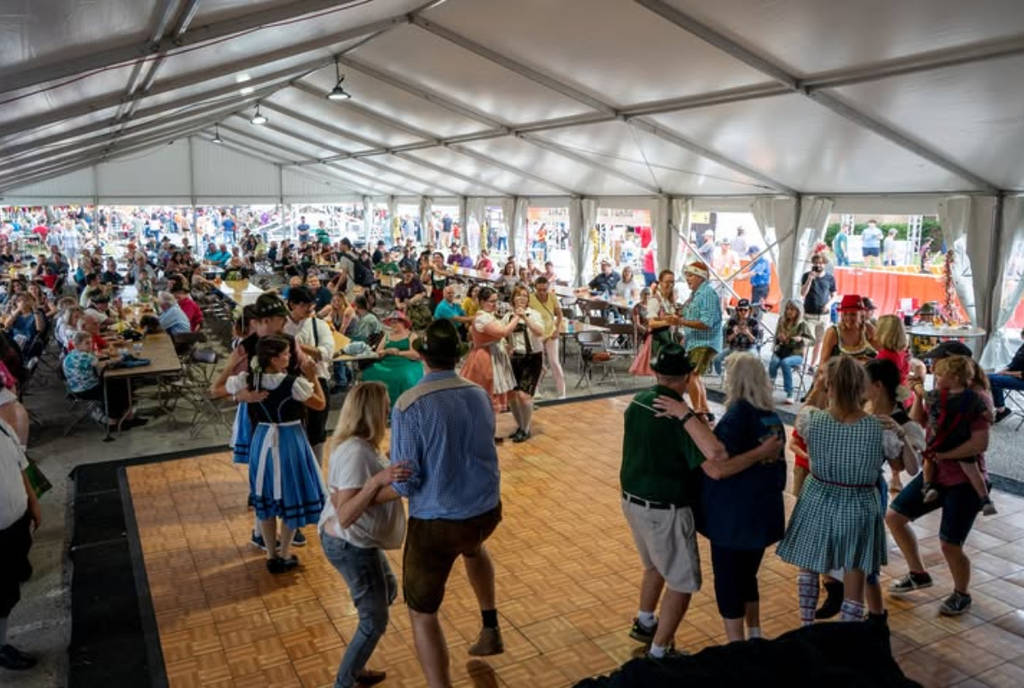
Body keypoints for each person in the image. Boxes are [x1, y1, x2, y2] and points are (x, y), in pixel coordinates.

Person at [620, 345, 779, 655]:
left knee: (654, 566)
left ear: (657, 373)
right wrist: (759, 453)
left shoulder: (638, 402)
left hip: (632, 501)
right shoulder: (679, 416)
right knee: (682, 583)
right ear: (688, 378)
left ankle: (645, 621)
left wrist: (696, 420)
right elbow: (717, 464)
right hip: (665, 509)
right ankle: (659, 652)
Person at [388, 319, 504, 687]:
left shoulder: (409, 404)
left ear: (421, 355)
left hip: (438, 520)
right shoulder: (477, 394)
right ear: (458, 354)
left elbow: (406, 483)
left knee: (422, 611)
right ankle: (490, 626)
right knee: (474, 548)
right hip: (485, 510)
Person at [776, 356, 905, 626]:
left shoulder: (812, 419)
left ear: (829, 386)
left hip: (817, 495)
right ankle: (848, 637)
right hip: (858, 501)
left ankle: (806, 626)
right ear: (862, 387)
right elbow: (898, 464)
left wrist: (819, 387)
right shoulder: (880, 429)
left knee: (808, 565)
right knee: (854, 570)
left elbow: (806, 416)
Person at [319, 383, 410, 688]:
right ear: (371, 410)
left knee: (388, 590)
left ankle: (354, 669)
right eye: (385, 404)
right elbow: (346, 514)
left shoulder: (363, 445)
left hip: (358, 542)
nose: (389, 409)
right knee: (374, 622)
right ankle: (345, 681)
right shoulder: (355, 451)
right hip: (348, 544)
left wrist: (390, 477)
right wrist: (378, 481)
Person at [887, 356, 993, 616]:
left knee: (950, 543)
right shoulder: (938, 397)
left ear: (955, 375)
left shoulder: (974, 401)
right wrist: (920, 394)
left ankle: (961, 593)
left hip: (963, 481)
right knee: (895, 516)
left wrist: (945, 455)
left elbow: (979, 444)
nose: (935, 373)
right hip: (935, 474)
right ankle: (918, 573)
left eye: (940, 370)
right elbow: (917, 421)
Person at [218, 335, 326, 573]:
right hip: (290, 439)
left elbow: (217, 390)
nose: (290, 357)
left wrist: (238, 396)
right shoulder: (292, 383)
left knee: (264, 494)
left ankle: (270, 553)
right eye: (286, 353)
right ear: (275, 359)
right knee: (291, 494)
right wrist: (313, 377)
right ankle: (285, 552)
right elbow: (320, 404)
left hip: (262, 439)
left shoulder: (248, 380)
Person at [917, 356, 996, 515]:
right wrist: (991, 417)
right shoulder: (974, 397)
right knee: (973, 471)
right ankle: (985, 500)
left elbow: (922, 395)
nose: (936, 378)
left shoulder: (936, 395)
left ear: (954, 378)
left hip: (938, 440)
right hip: (961, 440)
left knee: (929, 460)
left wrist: (917, 386)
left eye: (939, 376)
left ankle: (928, 487)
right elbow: (987, 414)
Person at [0, 405, 41, 671]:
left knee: (9, 592)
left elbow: (20, 467)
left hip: (16, 522)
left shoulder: (2, 427)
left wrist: (33, 504)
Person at [284, 287, 334, 460]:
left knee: (316, 431)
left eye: (311, 305)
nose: (309, 309)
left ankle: (317, 472)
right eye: (304, 305)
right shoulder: (282, 325)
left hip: (317, 381)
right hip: (289, 382)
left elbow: (327, 352)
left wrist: (296, 345)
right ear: (292, 304)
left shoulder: (318, 325)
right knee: (292, 428)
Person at [460, 287, 518, 416]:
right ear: (481, 302)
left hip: (493, 354)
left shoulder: (488, 316)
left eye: (496, 301)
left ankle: (488, 430)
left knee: (491, 394)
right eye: (491, 301)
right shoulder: (482, 318)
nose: (494, 305)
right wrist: (517, 317)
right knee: (487, 391)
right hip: (485, 357)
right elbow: (502, 332)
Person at [678, 262, 722, 420]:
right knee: (694, 376)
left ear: (701, 277)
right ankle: (705, 410)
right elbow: (689, 316)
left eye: (690, 275)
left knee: (691, 376)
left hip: (706, 342)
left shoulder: (707, 294)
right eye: (686, 275)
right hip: (696, 342)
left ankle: (699, 412)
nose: (687, 278)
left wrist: (681, 322)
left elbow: (706, 322)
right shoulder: (696, 295)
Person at [506, 285, 545, 442]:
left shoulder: (534, 314)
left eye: (524, 296)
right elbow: (503, 332)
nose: (521, 298)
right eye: (518, 295)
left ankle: (526, 428)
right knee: (513, 395)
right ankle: (520, 426)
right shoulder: (508, 315)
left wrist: (525, 318)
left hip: (532, 357)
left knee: (524, 395)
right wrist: (506, 345)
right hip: (515, 358)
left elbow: (539, 332)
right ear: (513, 299)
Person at [362, 312, 424, 410]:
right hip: (387, 362)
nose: (393, 325)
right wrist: (387, 351)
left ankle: (402, 407)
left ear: (403, 323)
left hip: (406, 362)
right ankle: (374, 407)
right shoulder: (387, 336)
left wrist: (398, 353)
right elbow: (378, 353)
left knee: (403, 377)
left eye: (395, 322)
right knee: (368, 373)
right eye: (391, 322)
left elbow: (416, 355)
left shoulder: (412, 336)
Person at [630, 269, 679, 377]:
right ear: (660, 282)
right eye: (667, 282)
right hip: (658, 340)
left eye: (672, 282)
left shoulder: (668, 300)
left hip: (668, 338)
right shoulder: (655, 300)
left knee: (668, 375)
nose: (670, 285)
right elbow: (651, 324)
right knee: (663, 374)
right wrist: (668, 321)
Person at [769, 299, 815, 404]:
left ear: (798, 311)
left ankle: (789, 393)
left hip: (796, 354)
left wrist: (802, 339)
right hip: (782, 350)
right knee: (774, 361)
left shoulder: (802, 324)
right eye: (788, 309)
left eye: (792, 309)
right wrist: (779, 338)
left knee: (785, 362)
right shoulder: (781, 320)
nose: (789, 311)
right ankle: (769, 387)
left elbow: (813, 341)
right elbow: (775, 338)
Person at [528, 277, 566, 399]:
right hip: (537, 333)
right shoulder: (531, 298)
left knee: (554, 362)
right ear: (535, 288)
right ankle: (536, 389)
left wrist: (557, 329)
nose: (542, 292)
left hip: (550, 332)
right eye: (539, 290)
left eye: (544, 289)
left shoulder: (552, 297)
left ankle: (562, 391)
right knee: (538, 362)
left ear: (548, 288)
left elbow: (559, 315)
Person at [800, 253, 836, 366]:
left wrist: (828, 304)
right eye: (816, 263)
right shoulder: (807, 276)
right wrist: (810, 279)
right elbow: (803, 293)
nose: (818, 265)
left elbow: (834, 295)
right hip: (809, 314)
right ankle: (802, 363)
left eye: (820, 263)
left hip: (823, 315)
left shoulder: (830, 278)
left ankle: (812, 364)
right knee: (806, 340)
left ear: (824, 264)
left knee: (819, 342)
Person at [819, 294, 876, 366]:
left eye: (853, 314)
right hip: (836, 376)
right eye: (845, 313)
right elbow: (823, 362)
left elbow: (883, 351)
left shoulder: (868, 330)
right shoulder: (833, 332)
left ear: (861, 313)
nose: (848, 318)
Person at [712, 299, 760, 375]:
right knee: (717, 359)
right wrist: (735, 333)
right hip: (734, 347)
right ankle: (720, 376)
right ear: (737, 310)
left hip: (748, 348)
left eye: (745, 310)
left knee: (757, 362)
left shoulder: (753, 322)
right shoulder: (732, 321)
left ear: (749, 310)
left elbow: (755, 341)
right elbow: (727, 340)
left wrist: (748, 333)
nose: (743, 312)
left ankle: (752, 381)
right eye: (740, 310)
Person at [989, 328, 1024, 424]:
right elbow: (1014, 363)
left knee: (993, 380)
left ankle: (1002, 410)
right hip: (1014, 375)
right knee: (984, 377)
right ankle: (989, 406)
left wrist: (1007, 373)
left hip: (1021, 380)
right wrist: (1004, 370)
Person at [741, 246, 771, 316]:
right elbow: (749, 270)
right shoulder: (755, 262)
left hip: (761, 288)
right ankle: (754, 321)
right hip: (756, 287)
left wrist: (741, 276)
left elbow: (753, 272)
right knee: (754, 306)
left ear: (757, 253)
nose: (750, 257)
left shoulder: (763, 262)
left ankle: (756, 323)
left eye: (751, 255)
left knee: (757, 307)